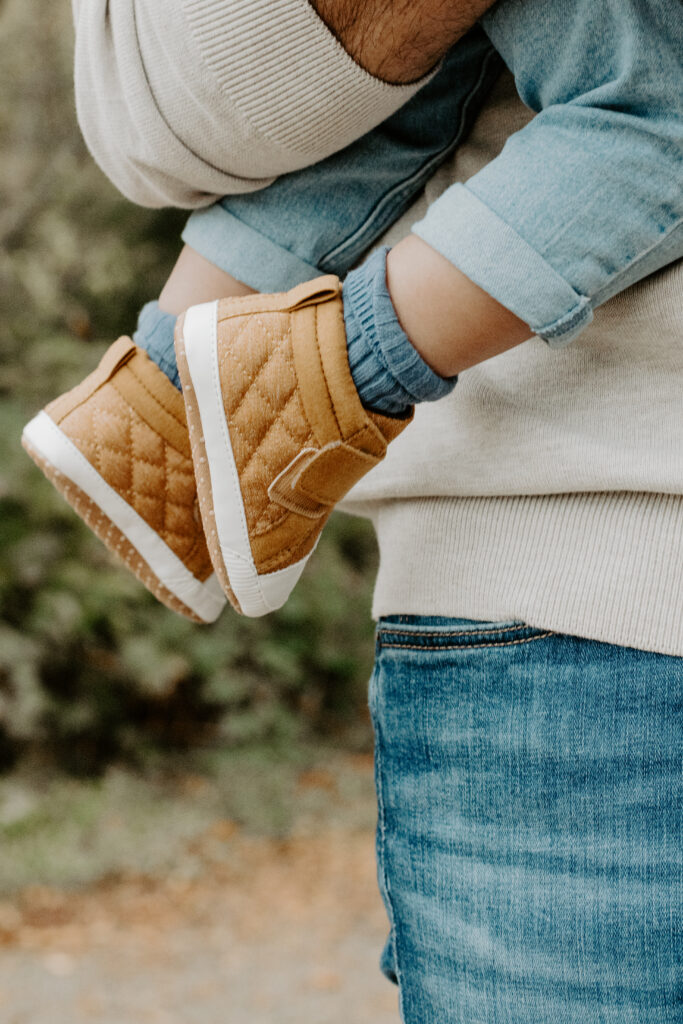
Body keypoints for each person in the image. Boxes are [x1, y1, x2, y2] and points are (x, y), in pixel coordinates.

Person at [22, 0, 683, 1017]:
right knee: (653, 102)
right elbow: (146, 111)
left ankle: (168, 388)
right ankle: (326, 379)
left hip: (572, 611)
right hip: (583, 610)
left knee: (444, 72)